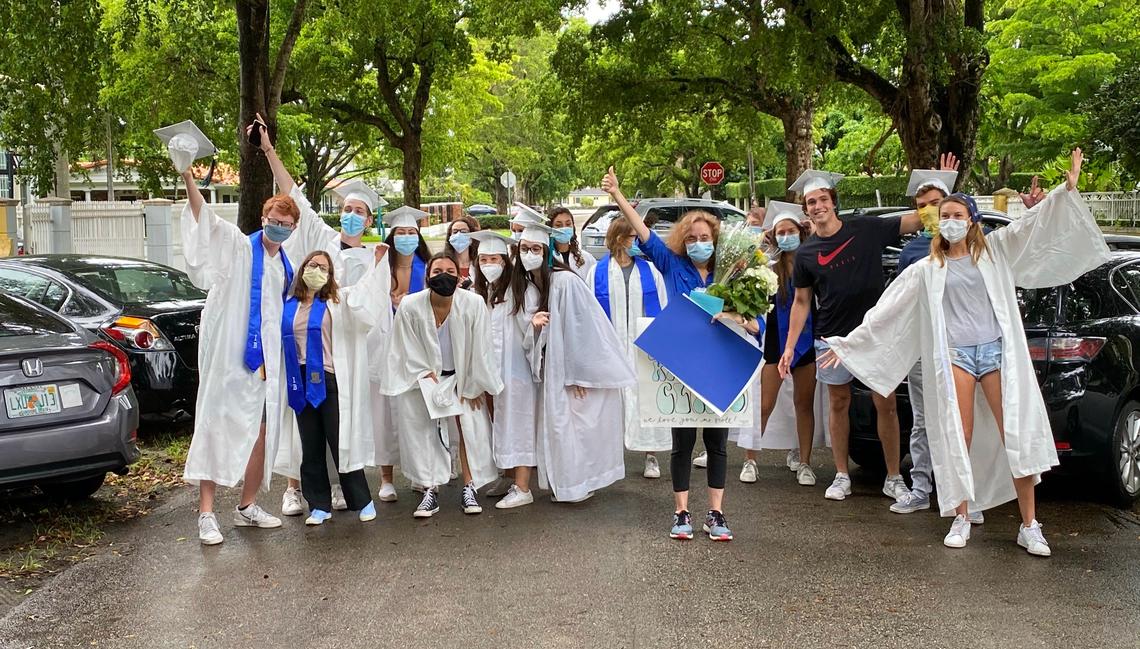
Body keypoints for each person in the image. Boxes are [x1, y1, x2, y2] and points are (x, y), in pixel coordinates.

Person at [820, 150, 1107, 556]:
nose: (950, 221)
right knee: (959, 433)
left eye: (957, 214)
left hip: (995, 354)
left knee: (1016, 434)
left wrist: (1068, 187)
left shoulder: (994, 252)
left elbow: (1032, 229)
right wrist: (848, 345)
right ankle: (961, 515)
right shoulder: (926, 268)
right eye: (945, 215)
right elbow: (888, 310)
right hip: (956, 356)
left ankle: (1030, 524)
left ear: (972, 220)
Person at [165, 119, 298, 546]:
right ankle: (206, 514)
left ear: (292, 228)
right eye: (274, 218)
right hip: (231, 357)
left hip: (266, 365)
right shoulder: (241, 248)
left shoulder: (286, 266)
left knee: (262, 431)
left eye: (286, 222)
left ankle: (247, 505)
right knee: (216, 423)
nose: (279, 226)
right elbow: (206, 218)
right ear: (263, 217)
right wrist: (187, 174)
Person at [255, 126, 401, 512]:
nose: (352, 216)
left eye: (359, 212)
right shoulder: (322, 241)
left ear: (369, 221)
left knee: (343, 422)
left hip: (349, 350)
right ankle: (295, 488)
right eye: (348, 209)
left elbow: (375, 308)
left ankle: (343, 488)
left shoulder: (374, 257)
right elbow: (293, 194)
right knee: (303, 414)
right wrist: (269, 148)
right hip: (308, 342)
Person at [602, 166, 733, 542]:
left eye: (704, 237)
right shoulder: (672, 265)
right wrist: (617, 195)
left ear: (715, 238)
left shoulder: (734, 271)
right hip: (680, 364)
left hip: (721, 365)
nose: (698, 242)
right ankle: (681, 513)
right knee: (683, 443)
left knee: (718, 445)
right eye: (691, 237)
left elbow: (754, 317)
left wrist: (738, 317)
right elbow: (642, 232)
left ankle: (717, 513)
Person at [778, 169, 921, 504]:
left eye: (822, 200)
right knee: (838, 402)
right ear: (806, 210)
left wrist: (942, 184)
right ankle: (841, 475)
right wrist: (788, 347)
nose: (817, 206)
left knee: (884, 403)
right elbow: (801, 302)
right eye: (811, 202)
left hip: (874, 336)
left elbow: (917, 220)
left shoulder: (866, 229)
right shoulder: (807, 253)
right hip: (831, 339)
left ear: (833, 203)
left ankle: (894, 477)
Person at [506, 221, 635, 505]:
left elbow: (584, 328)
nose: (529, 254)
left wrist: (580, 374)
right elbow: (525, 331)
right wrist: (534, 326)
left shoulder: (564, 281)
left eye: (535, 249)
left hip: (565, 369)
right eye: (524, 249)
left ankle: (573, 485)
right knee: (557, 429)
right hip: (545, 370)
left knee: (567, 427)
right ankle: (563, 485)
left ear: (547, 250)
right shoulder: (524, 285)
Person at [382, 252, 504, 517]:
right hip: (424, 378)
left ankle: (469, 486)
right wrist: (423, 374)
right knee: (425, 430)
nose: (444, 276)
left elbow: (481, 349)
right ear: (427, 275)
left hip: (462, 377)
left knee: (468, 429)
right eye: (437, 271)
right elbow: (403, 345)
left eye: (450, 271)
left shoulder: (473, 303)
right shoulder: (411, 305)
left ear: (459, 277)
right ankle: (429, 488)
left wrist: (473, 385)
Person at [280, 248, 390, 525]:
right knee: (310, 444)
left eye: (324, 268)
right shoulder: (289, 304)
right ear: (303, 267)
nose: (316, 271)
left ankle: (362, 500)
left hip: (330, 379)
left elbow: (365, 293)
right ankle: (319, 505)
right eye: (312, 265)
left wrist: (376, 263)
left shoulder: (337, 302)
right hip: (298, 380)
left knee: (341, 441)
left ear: (330, 276)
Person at [731, 201, 824, 487]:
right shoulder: (768, 265)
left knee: (803, 404)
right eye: (780, 232)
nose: (786, 236)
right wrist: (764, 237)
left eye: (790, 230)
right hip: (774, 340)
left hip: (806, 341)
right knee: (764, 404)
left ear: (800, 231)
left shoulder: (814, 262)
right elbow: (738, 266)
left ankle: (805, 462)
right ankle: (750, 459)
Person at [890, 162, 961, 516]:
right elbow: (901, 303)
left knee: (961, 421)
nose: (928, 211)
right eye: (922, 206)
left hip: (961, 347)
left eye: (934, 203)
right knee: (922, 421)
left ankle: (963, 497)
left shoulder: (966, 244)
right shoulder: (913, 252)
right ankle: (921, 489)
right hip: (923, 349)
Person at [584, 218, 671, 479]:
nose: (638, 241)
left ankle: (651, 456)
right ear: (620, 239)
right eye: (633, 236)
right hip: (610, 346)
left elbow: (663, 308)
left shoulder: (650, 271)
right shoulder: (597, 272)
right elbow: (590, 314)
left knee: (645, 400)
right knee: (610, 403)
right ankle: (609, 459)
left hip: (642, 346)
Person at [470, 231, 528, 500]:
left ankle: (522, 485)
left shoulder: (520, 289)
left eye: (494, 258)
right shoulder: (477, 291)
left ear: (505, 261)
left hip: (515, 368)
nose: (489, 263)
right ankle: (507, 476)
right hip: (489, 369)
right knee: (497, 423)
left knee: (517, 422)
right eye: (484, 259)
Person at [386, 206, 433, 309]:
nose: (406, 236)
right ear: (392, 238)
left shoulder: (428, 269)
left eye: (411, 233)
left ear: (418, 238)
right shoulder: (383, 267)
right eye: (401, 233)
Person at [548, 206, 596, 280]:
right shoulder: (546, 258)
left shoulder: (586, 258)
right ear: (550, 229)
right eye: (558, 225)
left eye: (568, 224)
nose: (564, 228)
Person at [444, 215, 481, 286]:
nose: (458, 235)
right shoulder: (443, 263)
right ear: (450, 237)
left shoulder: (479, 264)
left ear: (471, 238)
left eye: (463, 232)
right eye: (455, 232)